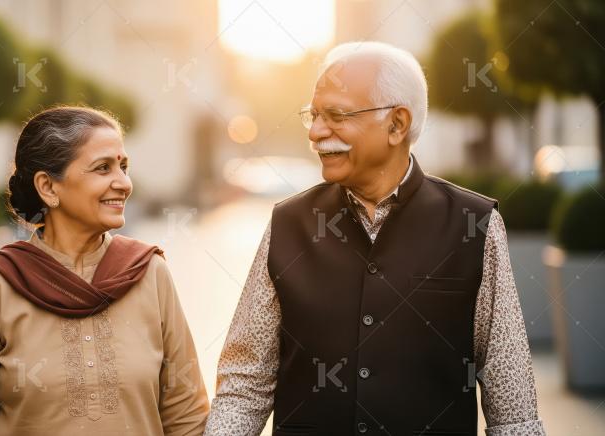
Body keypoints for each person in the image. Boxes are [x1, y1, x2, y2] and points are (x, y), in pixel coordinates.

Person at [205, 42, 545, 435]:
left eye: (336, 115)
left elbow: (512, 402)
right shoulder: (288, 223)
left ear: (397, 124)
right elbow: (245, 385)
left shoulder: (475, 225)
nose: (316, 132)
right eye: (313, 116)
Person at [0, 106, 209, 435]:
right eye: (103, 168)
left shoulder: (149, 272)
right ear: (49, 188)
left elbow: (187, 416)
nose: (124, 183)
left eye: (123, 167)